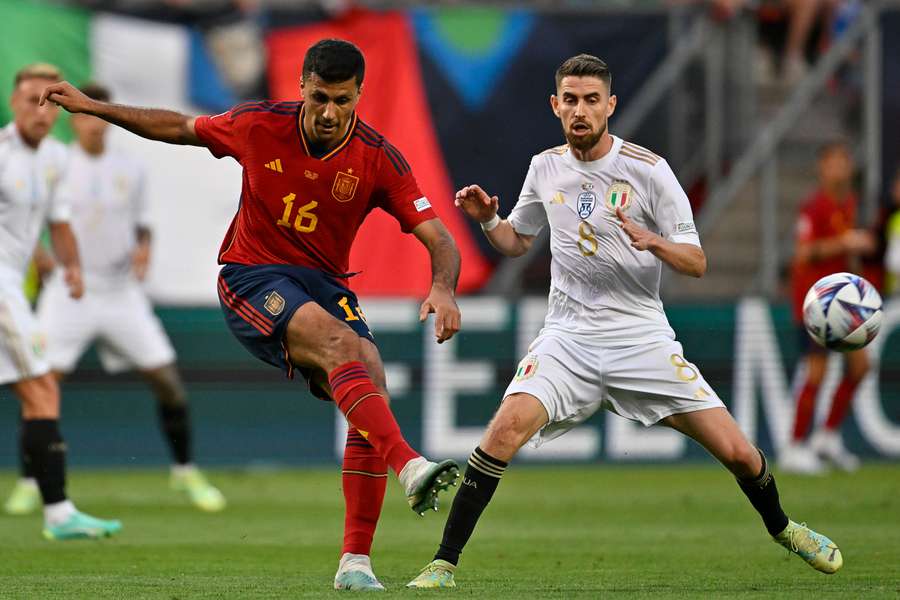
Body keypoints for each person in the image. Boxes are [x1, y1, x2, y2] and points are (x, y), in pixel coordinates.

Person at [407, 54, 842, 589]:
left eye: (592, 100)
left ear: (610, 105)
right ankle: (443, 563)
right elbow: (518, 242)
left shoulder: (648, 170)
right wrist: (491, 220)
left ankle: (783, 528)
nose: (580, 110)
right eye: (570, 99)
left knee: (737, 453)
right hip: (568, 337)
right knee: (501, 433)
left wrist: (654, 240)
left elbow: (697, 261)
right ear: (555, 105)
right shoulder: (545, 166)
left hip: (641, 337)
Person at [41, 39, 461, 591]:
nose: (329, 113)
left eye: (341, 100)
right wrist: (96, 108)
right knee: (340, 346)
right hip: (252, 274)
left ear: (360, 94)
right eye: (318, 99)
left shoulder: (377, 158)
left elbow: (438, 237)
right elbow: (176, 127)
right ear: (301, 88)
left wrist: (444, 287)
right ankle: (407, 464)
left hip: (326, 284)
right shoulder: (259, 125)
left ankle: (354, 563)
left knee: (371, 378)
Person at [5, 82, 226, 516]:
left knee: (167, 381)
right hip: (70, 291)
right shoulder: (56, 165)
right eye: (83, 114)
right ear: (74, 119)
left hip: (120, 290)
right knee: (41, 384)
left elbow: (143, 224)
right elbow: (28, 216)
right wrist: (42, 256)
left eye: (97, 114)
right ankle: (30, 481)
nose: (93, 124)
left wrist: (144, 248)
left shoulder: (131, 168)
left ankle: (185, 471)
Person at [0, 63, 121, 539]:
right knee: (41, 387)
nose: (40, 111)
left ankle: (57, 511)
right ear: (13, 104)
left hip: (14, 285)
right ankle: (58, 512)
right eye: (31, 100)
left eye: (48, 102)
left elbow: (59, 220)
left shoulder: (54, 158)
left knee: (39, 389)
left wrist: (70, 266)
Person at [781, 141, 875, 475]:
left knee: (861, 365)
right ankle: (793, 446)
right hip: (816, 302)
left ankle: (827, 436)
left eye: (844, 161)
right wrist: (845, 242)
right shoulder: (813, 207)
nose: (840, 168)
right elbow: (803, 254)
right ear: (822, 168)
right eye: (833, 162)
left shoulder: (848, 202)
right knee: (817, 371)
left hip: (843, 301)